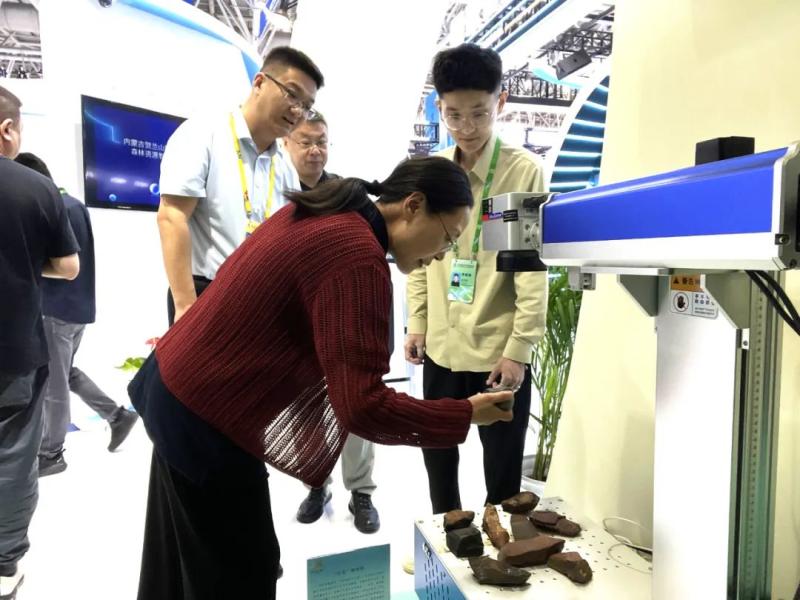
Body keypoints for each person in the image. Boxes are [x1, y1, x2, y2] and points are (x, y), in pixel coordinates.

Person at [129, 156, 514, 600]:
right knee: (241, 572)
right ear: (413, 205)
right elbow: (363, 406)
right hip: (202, 417)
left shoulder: (333, 212)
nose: (443, 254)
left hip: (175, 389)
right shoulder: (356, 254)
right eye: (447, 236)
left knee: (175, 563)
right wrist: (463, 414)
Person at [405, 44, 548, 515]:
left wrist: (519, 349)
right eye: (453, 115)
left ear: (500, 102)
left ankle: (504, 544)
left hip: (496, 349)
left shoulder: (521, 172)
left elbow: (530, 270)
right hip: (442, 345)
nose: (466, 127)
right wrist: (417, 322)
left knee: (503, 475)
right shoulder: (432, 173)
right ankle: (447, 535)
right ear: (439, 107)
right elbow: (419, 257)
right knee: (438, 459)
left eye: (479, 114)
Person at [157, 46, 322, 325]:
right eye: (292, 94)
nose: (297, 110)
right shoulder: (204, 133)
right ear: (259, 82)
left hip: (261, 301)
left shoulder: (285, 166)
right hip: (205, 294)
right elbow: (172, 217)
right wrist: (185, 306)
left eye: (307, 105)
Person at [0, 86, 80, 600]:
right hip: (14, 351)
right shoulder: (35, 188)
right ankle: (4, 565)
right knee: (12, 457)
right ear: (8, 129)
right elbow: (69, 268)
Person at [14, 152, 140, 478]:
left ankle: (51, 453)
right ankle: (117, 416)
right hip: (77, 306)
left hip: (55, 308)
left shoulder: (52, 206)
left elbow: (60, 263)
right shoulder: (73, 204)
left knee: (54, 382)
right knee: (65, 372)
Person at [283, 112, 380, 533]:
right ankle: (315, 485)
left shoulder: (346, 194)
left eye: (321, 141)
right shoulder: (274, 192)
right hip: (294, 321)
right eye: (305, 141)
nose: (315, 150)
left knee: (355, 404)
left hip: (343, 315)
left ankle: (362, 491)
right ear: (286, 143)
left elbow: (377, 241)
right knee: (305, 408)